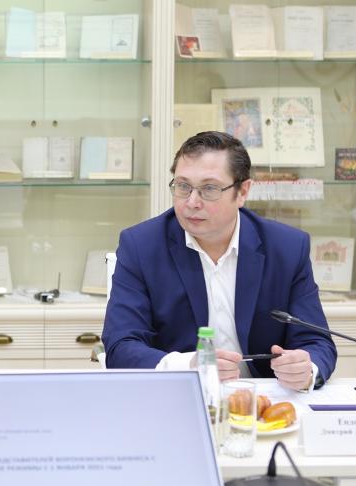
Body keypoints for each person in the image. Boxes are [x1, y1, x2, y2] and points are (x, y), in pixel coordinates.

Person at [102, 131, 336, 390]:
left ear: (242, 191)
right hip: (179, 395)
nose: (192, 202)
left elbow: (317, 342)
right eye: (183, 186)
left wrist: (306, 370)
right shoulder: (141, 246)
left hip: (263, 398)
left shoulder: (286, 247)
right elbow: (120, 347)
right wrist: (189, 367)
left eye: (209, 189)